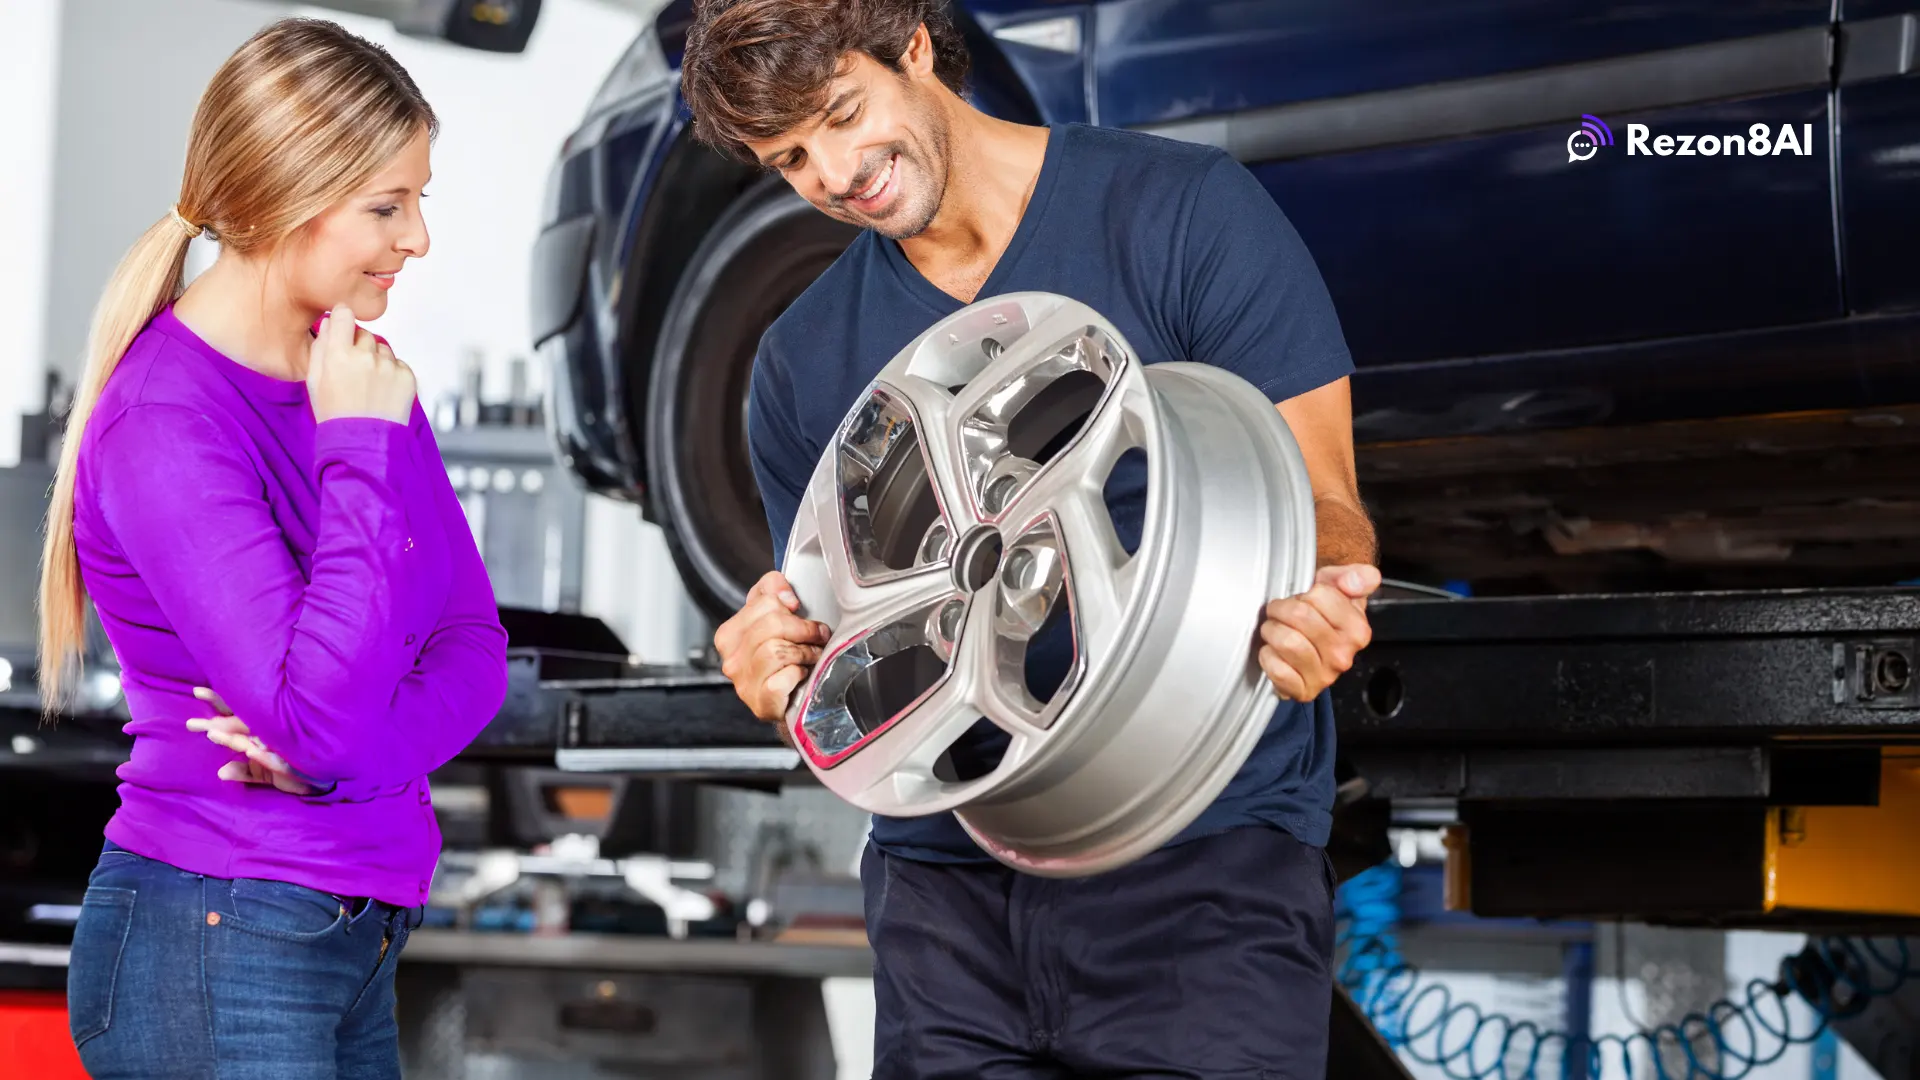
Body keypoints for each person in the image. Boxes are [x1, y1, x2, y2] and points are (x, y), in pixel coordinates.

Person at [687, 1, 1380, 1075]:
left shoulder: (1181, 213)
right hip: (945, 898)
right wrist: (776, 668)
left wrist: (1329, 591)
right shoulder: (801, 361)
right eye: (789, 158)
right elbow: (852, 656)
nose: (833, 171)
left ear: (912, 47)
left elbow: (1320, 492)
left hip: (1199, 854)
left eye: (840, 112)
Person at [39, 18, 508, 1078]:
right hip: (218, 929)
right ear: (280, 200)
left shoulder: (360, 381)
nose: (419, 238)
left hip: (353, 924)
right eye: (388, 205)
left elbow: (475, 648)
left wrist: (352, 765)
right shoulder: (169, 421)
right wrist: (353, 448)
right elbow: (316, 713)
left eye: (418, 198)